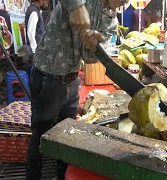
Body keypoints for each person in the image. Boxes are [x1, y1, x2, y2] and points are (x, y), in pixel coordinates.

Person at [26, 0, 128, 180]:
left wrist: (93, 45)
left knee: (67, 137)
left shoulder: (111, 22)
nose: (126, 1)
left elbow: (88, 58)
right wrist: (77, 7)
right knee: (40, 136)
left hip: (72, 79)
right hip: (48, 76)